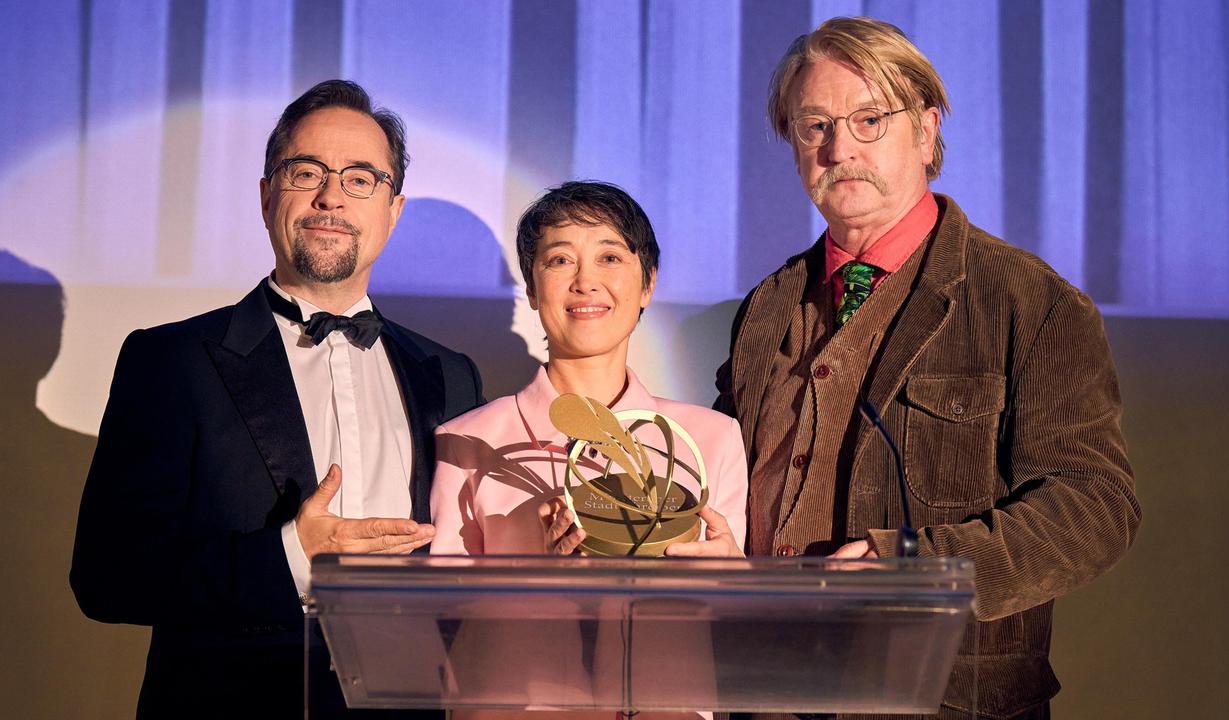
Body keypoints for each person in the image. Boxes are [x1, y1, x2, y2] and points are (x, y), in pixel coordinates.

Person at [714, 17, 1141, 719]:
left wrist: (919, 566)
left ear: (926, 128)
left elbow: (1095, 506)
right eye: (813, 125)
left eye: (868, 119)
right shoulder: (768, 305)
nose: (838, 148)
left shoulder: (1032, 303)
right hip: (763, 691)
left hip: (944, 698)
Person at [70, 80, 483, 718]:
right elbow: (107, 577)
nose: (330, 197)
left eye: (359, 179)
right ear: (267, 196)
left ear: (393, 210)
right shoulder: (172, 361)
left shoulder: (450, 376)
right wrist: (294, 555)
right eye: (306, 171)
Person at [430, 181, 746, 558]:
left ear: (648, 283)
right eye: (560, 260)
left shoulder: (713, 439)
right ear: (532, 289)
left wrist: (729, 577)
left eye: (609, 258)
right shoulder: (464, 444)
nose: (585, 282)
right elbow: (451, 608)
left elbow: (724, 607)